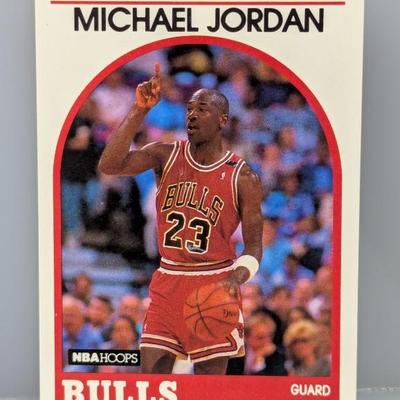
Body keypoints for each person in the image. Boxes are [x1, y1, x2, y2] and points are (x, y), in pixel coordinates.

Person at [98, 64, 263, 374]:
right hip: (168, 279)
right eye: (189, 109)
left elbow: (254, 248)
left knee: (207, 390)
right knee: (152, 383)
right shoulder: (165, 154)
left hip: (214, 281)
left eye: (202, 109)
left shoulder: (243, 177)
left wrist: (236, 278)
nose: (192, 115)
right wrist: (138, 110)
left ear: (223, 120)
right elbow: (110, 165)